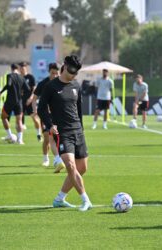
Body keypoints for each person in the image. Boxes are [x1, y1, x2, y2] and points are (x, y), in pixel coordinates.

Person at [38, 55, 92, 211]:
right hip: (62, 132)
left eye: (76, 72)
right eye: (72, 70)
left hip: (78, 132)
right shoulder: (51, 87)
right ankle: (85, 200)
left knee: (81, 168)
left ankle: (59, 199)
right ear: (65, 66)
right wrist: (49, 125)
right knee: (70, 165)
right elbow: (41, 109)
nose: (74, 74)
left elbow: (79, 110)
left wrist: (81, 128)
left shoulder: (76, 85)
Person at [33, 63, 65, 173]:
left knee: (58, 137)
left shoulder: (62, 82)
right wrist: (34, 111)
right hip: (45, 115)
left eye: (57, 73)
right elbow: (34, 97)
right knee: (47, 136)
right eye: (53, 73)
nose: (55, 75)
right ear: (49, 72)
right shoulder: (43, 84)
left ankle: (59, 159)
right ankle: (46, 158)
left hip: (58, 115)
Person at [0, 64, 30, 144]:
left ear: (11, 69)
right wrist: (21, 95)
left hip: (9, 101)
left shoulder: (10, 75)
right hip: (19, 102)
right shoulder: (21, 77)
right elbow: (28, 89)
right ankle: (20, 140)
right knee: (19, 121)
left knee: (3, 117)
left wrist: (1, 92)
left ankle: (9, 135)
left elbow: (8, 85)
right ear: (18, 69)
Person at [19, 62, 41, 141]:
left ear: (26, 68)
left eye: (23, 67)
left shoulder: (30, 77)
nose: (22, 69)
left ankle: (39, 134)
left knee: (35, 119)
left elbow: (34, 89)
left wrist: (31, 98)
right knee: (19, 119)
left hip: (29, 101)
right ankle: (20, 139)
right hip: (20, 101)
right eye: (20, 68)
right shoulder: (19, 77)